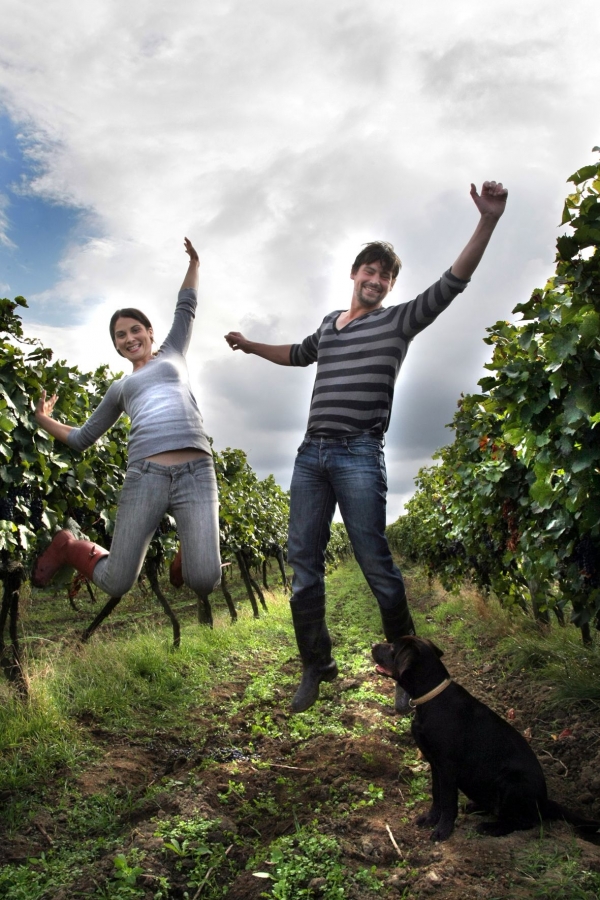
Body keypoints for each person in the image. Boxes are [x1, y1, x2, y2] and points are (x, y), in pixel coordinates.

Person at [224, 181, 508, 714]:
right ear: (354, 274)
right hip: (311, 456)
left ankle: (408, 669)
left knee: (377, 565)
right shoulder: (329, 326)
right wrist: (248, 345)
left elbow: (453, 283)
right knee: (303, 569)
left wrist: (487, 220)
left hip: (358, 454)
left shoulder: (398, 321)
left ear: (391, 284)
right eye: (369, 271)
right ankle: (317, 666)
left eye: (386, 276)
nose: (376, 280)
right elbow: (296, 353)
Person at [32, 238, 221, 609]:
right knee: (117, 581)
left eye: (135, 330)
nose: (130, 338)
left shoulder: (173, 354)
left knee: (204, 580)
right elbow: (82, 437)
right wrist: (43, 419)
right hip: (145, 477)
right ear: (117, 346)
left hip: (197, 473)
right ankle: (69, 546)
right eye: (121, 335)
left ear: (150, 332)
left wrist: (194, 265)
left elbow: (186, 307)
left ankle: (191, 548)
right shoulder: (120, 388)